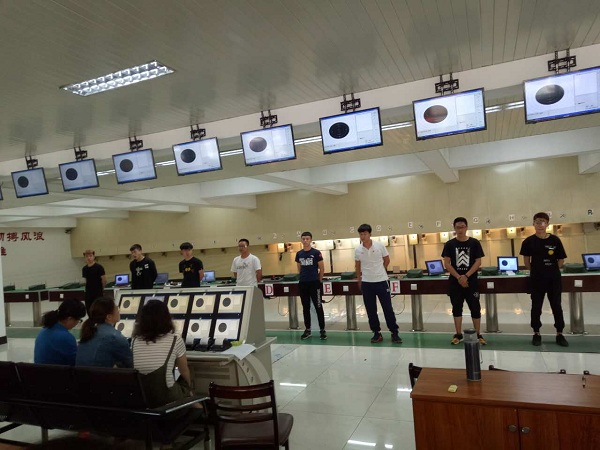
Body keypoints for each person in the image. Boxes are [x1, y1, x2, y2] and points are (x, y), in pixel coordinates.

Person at [132, 300, 194, 407]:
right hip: (167, 398)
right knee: (188, 373)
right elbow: (183, 370)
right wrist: (189, 389)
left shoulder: (135, 340)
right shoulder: (175, 339)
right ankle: (195, 404)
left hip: (144, 397)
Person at [520, 212, 569, 347]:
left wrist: (552, 271)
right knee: (536, 307)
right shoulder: (528, 241)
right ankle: (536, 333)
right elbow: (526, 260)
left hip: (554, 279)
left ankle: (559, 333)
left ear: (547, 224)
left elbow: (561, 259)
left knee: (556, 306)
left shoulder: (555, 240)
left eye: (542, 222)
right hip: (536, 280)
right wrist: (535, 271)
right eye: (537, 222)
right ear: (533, 224)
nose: (539, 225)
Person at [442, 217, 486, 345]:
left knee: (475, 308)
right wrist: (459, 277)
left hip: (471, 282)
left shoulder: (475, 243)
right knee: (456, 307)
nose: (460, 229)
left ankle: (478, 334)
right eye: (457, 227)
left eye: (462, 227)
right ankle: (458, 334)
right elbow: (447, 263)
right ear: (454, 228)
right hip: (455, 282)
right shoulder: (449, 244)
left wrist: (466, 276)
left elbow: (478, 261)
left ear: (466, 227)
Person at [355, 224, 402, 344]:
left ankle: (394, 332)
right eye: (361, 234)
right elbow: (357, 266)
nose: (363, 236)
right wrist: (359, 280)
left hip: (381, 282)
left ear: (370, 234)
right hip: (367, 283)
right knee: (371, 310)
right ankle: (376, 333)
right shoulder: (358, 249)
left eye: (365, 233)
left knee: (387, 308)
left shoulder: (380, 246)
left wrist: (381, 270)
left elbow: (387, 260)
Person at [76, 297, 133, 368]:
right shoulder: (114, 336)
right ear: (109, 317)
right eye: (117, 309)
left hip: (82, 377)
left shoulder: (90, 331)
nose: (119, 311)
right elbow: (131, 364)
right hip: (99, 377)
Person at [34, 300, 86, 365]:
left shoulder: (44, 330)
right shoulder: (66, 337)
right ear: (69, 319)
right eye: (79, 320)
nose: (78, 323)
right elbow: (76, 364)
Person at [295, 232, 327, 340]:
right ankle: (308, 329)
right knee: (305, 307)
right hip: (303, 284)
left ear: (311, 240)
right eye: (303, 239)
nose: (305, 241)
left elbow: (322, 268)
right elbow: (299, 269)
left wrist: (319, 280)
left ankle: (322, 330)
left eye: (307, 239)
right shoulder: (299, 254)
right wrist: (303, 278)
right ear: (301, 240)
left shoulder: (316, 253)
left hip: (314, 283)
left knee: (318, 306)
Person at [81, 249, 106, 314]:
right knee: (89, 311)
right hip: (88, 294)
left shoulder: (99, 267)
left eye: (90, 256)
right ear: (85, 257)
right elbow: (86, 281)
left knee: (98, 311)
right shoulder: (84, 269)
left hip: (98, 293)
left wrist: (101, 290)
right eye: (87, 256)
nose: (89, 258)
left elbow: (104, 280)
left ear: (94, 256)